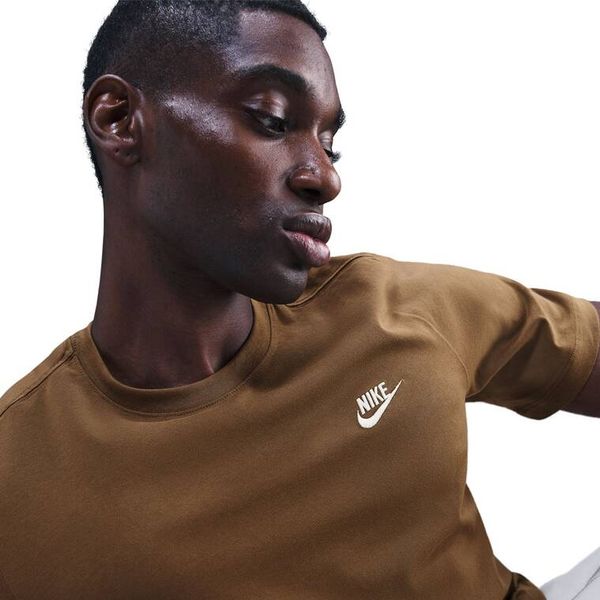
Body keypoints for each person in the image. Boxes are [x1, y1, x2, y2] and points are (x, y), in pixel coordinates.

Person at [0, 1, 598, 598]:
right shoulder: (18, 474)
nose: (324, 177)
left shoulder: (395, 311)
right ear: (119, 119)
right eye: (273, 120)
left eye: (330, 144)